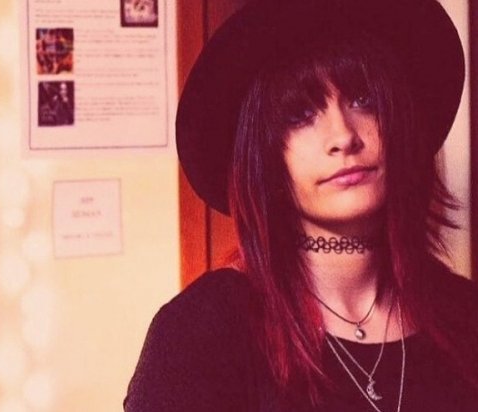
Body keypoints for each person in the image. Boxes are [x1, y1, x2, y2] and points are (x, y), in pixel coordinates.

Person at [125, 0, 478, 411]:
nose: (343, 137)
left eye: (363, 100)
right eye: (301, 115)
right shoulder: (201, 332)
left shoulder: (464, 313)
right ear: (265, 156)